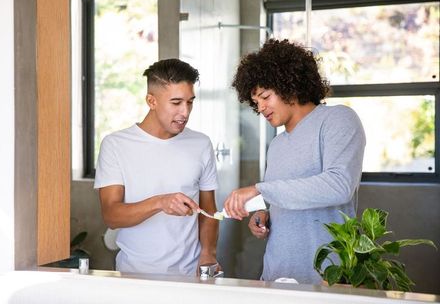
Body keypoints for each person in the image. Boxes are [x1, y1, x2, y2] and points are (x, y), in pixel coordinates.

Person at [223, 39, 366, 284]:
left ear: (289, 84)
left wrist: (259, 189)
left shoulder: (338, 120)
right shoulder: (277, 145)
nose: (261, 108)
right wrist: (265, 214)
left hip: (327, 277)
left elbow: (339, 186)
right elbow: (285, 196)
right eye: (256, 103)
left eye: (265, 97)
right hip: (276, 274)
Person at [94, 58, 220, 276]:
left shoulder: (201, 144)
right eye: (176, 102)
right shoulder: (115, 145)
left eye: (190, 102)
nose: (185, 112)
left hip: (190, 275)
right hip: (135, 275)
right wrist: (160, 202)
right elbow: (111, 216)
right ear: (151, 101)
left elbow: (208, 209)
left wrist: (208, 253)